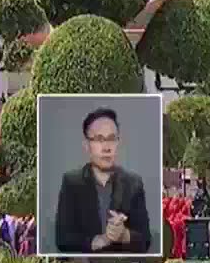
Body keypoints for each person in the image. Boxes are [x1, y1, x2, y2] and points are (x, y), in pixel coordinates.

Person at [54, 106, 152, 254]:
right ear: (87, 145)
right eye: (99, 139)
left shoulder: (133, 183)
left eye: (112, 139)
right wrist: (98, 241)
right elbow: (63, 239)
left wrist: (124, 235)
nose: (107, 147)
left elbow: (145, 240)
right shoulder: (72, 182)